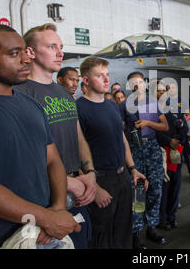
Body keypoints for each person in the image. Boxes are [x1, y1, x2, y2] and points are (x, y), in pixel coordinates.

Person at [0, 24, 80, 249]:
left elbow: (52, 160)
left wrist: (57, 209)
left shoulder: (31, 105)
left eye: (25, 51)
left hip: (42, 230)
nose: (26, 59)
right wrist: (44, 217)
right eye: (14, 54)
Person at [14, 23, 97, 249]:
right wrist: (67, 182)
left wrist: (89, 173)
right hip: (43, 197)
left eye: (60, 47)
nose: (60, 53)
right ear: (30, 52)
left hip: (77, 190)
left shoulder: (64, 93)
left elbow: (77, 136)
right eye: (51, 47)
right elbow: (21, 155)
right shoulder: (18, 93)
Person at [76, 57, 148, 248]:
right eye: (100, 75)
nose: (106, 79)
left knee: (124, 231)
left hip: (122, 176)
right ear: (86, 80)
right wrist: (94, 189)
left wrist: (133, 169)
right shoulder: (78, 109)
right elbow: (76, 153)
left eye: (107, 75)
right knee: (102, 236)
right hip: (100, 180)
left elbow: (121, 138)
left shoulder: (112, 106)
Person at [121, 71, 169, 248]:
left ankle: (152, 226)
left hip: (152, 148)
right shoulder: (124, 105)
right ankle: (136, 231)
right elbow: (120, 131)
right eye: (133, 82)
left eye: (140, 82)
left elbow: (165, 126)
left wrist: (148, 123)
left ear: (144, 84)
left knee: (156, 188)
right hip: (134, 149)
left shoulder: (153, 103)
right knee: (139, 191)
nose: (137, 85)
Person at [156, 81, 189, 231]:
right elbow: (155, 131)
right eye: (158, 91)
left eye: (164, 90)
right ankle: (161, 219)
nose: (162, 93)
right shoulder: (151, 109)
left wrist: (178, 141)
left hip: (176, 152)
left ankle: (172, 217)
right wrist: (169, 141)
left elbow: (184, 126)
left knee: (175, 186)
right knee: (164, 187)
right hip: (161, 151)